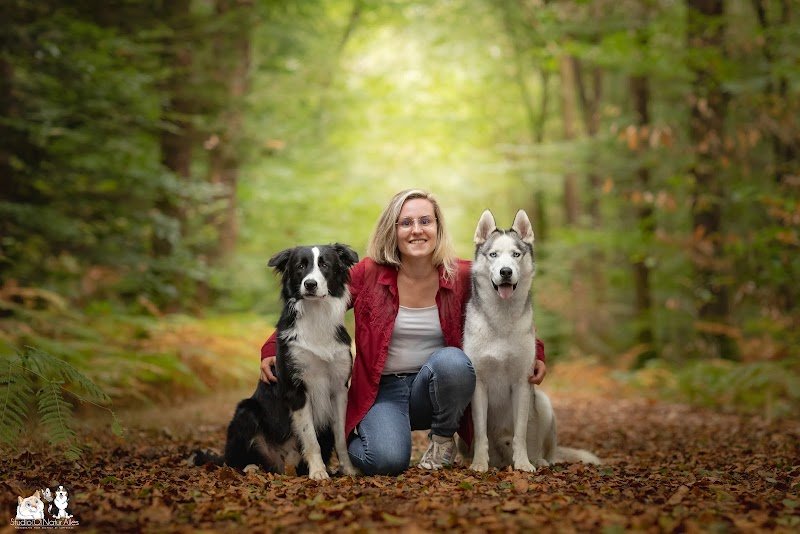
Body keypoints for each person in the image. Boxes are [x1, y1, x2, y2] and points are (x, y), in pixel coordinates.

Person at [259, 189, 546, 475]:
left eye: (425, 221)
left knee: (454, 362)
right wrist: (273, 348)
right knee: (383, 461)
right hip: (383, 390)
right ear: (392, 229)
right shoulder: (369, 273)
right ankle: (366, 434)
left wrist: (537, 351)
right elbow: (316, 303)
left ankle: (443, 439)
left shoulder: (460, 274)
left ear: (437, 227)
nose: (416, 230)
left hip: (435, 385)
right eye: (406, 223)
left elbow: (508, 311)